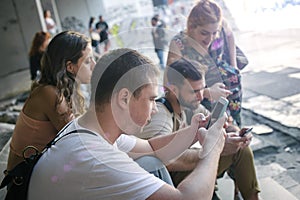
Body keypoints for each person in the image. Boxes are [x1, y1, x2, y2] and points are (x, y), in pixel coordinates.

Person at [28, 48, 227, 200]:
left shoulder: (90, 129)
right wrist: (212, 149)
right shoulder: (95, 156)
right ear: (124, 98)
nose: (155, 108)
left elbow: (151, 148)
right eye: (151, 99)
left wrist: (193, 132)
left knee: (150, 162)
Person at [139, 58, 261, 200]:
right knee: (235, 151)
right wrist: (212, 151)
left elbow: (218, 123)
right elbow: (160, 159)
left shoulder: (190, 105)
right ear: (173, 90)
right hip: (170, 188)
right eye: (194, 91)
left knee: (240, 147)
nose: (200, 96)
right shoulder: (160, 114)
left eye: (202, 89)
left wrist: (236, 133)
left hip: (185, 175)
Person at [6, 31, 95, 171]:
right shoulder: (49, 94)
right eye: (88, 61)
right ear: (70, 67)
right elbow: (80, 139)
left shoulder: (63, 89)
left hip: (42, 170)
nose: (94, 65)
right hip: (24, 182)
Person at [166, 0, 243, 127]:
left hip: (232, 95)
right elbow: (169, 87)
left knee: (236, 129)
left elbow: (229, 35)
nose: (210, 39)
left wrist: (233, 66)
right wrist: (206, 92)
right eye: (204, 33)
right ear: (191, 27)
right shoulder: (179, 45)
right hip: (203, 103)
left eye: (214, 33)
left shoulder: (222, 24)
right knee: (218, 132)